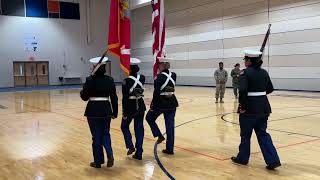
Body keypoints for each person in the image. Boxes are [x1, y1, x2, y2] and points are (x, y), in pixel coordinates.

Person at [231, 50, 281, 170]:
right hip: (263, 108)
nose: (244, 62)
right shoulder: (264, 72)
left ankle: (242, 158)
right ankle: (273, 160)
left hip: (249, 110)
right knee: (263, 134)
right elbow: (270, 88)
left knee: (245, 135)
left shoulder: (245, 73)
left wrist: (243, 106)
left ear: (249, 60)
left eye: (245, 60)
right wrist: (259, 95)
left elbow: (242, 91)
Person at [80, 57, 118, 168]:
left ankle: (98, 162)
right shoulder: (110, 80)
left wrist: (83, 89)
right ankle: (110, 154)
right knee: (106, 133)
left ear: (95, 67)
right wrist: (114, 112)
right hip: (106, 109)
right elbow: (114, 98)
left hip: (93, 111)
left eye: (93, 66)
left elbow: (84, 97)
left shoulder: (90, 79)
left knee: (96, 137)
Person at [146, 57, 179, 155]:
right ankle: (170, 149)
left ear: (162, 65)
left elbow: (156, 93)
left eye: (159, 65)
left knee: (149, 118)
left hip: (161, 103)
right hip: (172, 102)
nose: (158, 67)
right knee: (170, 126)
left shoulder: (159, 77)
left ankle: (159, 135)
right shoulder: (173, 75)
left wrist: (153, 105)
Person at [121, 58, 146, 160]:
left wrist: (124, 111)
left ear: (129, 69)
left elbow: (125, 98)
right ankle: (139, 152)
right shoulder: (142, 78)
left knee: (124, 126)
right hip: (140, 105)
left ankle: (130, 146)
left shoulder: (126, 81)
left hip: (130, 107)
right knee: (139, 129)